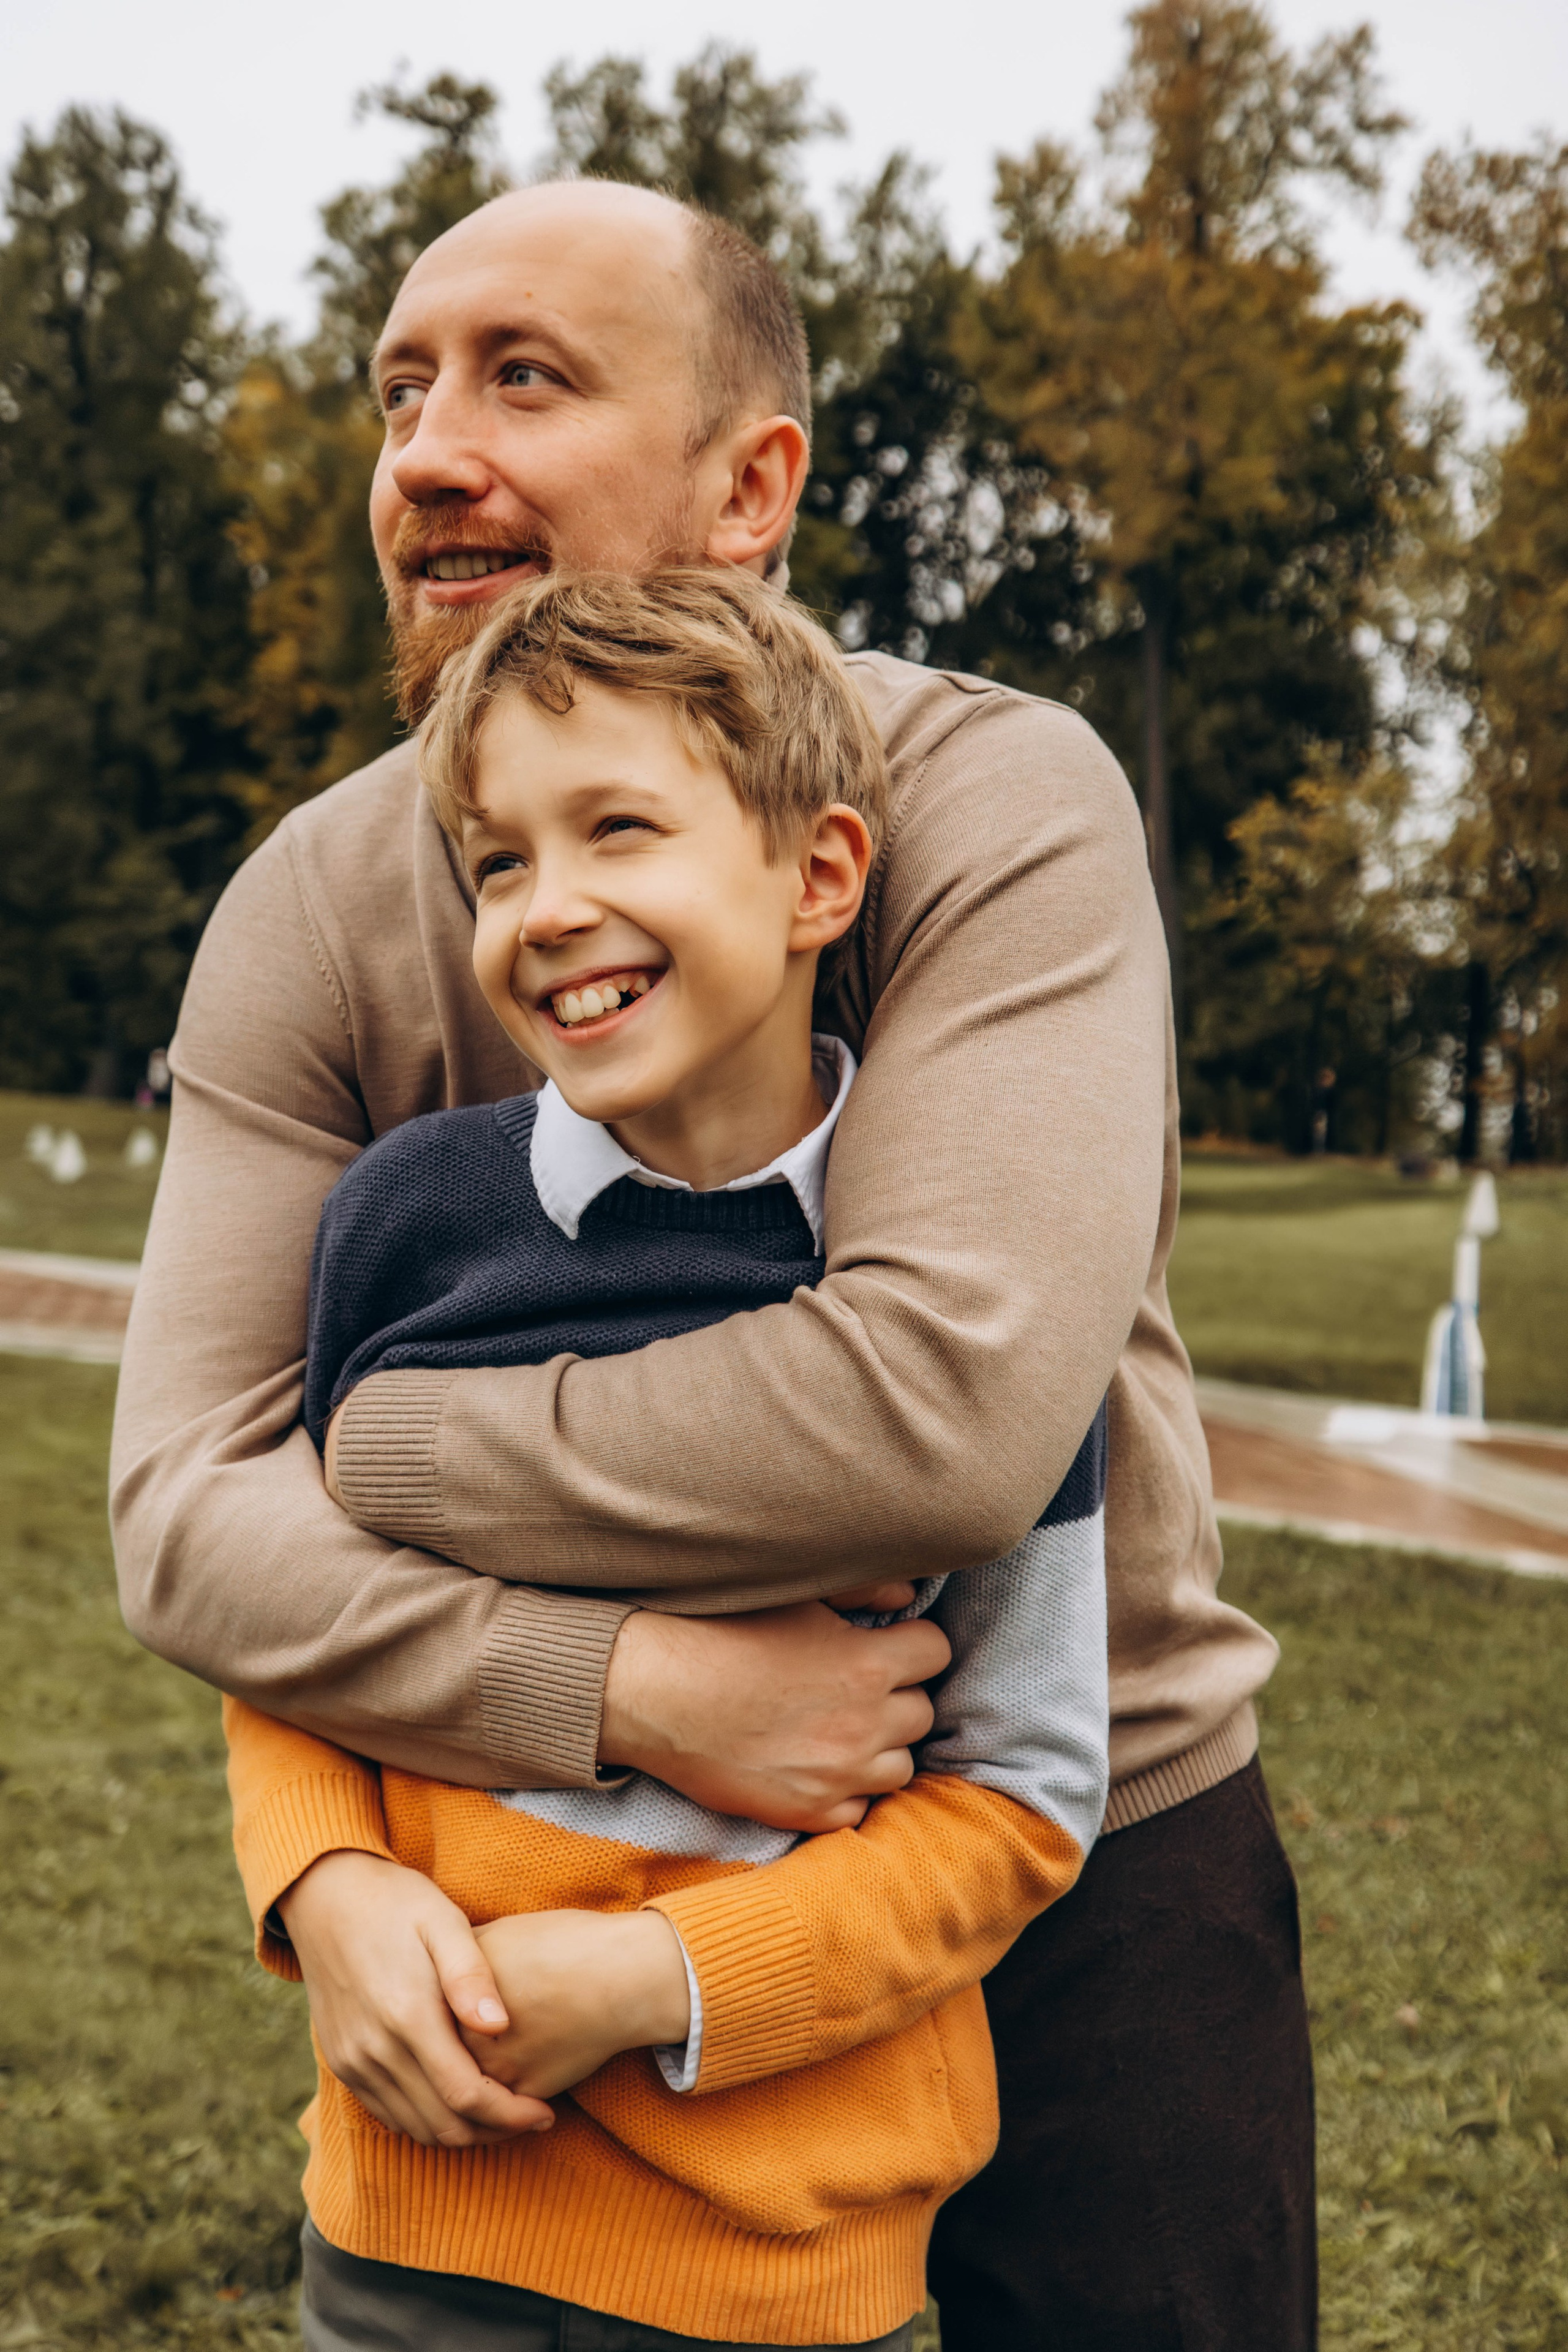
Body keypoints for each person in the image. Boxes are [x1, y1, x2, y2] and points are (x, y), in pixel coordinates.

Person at [111, 179, 1314, 2347]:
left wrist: (375, 1458)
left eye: (524, 378)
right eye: (399, 394)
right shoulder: (303, 914)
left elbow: (939, 1418)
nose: (425, 450)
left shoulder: (990, 795)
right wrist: (575, 1725)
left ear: (753, 484)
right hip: (528, 1924)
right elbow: (186, 1525)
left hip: (1072, 1855)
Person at [230, 563, 1110, 2349]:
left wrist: (659, 1979)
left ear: (820, 878)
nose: (548, 909)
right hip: (411, 2208)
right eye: (499, 860)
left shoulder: (968, 1264)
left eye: (618, 830)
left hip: (779, 2265)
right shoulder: (413, 1220)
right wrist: (325, 1879)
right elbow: (297, 1627)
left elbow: (1021, 1790)